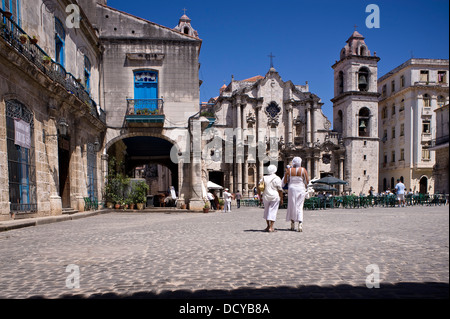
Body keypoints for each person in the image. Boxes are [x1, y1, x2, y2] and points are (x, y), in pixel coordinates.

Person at [284, 157, 309, 232]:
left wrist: (290, 180)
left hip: (292, 189)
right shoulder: (303, 170)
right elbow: (307, 181)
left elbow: (285, 180)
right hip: (301, 188)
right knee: (300, 206)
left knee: (292, 205)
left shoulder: (289, 170)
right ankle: (300, 223)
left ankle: (292, 224)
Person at [259, 164, 283, 232]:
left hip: (266, 196)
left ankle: (267, 226)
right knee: (273, 211)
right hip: (274, 196)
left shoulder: (264, 178)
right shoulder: (277, 178)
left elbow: (259, 187)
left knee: (266, 211)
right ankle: (271, 227)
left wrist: (259, 195)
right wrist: (281, 198)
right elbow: (280, 189)